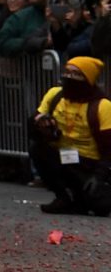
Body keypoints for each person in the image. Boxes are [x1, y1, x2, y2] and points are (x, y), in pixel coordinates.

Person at [31, 56, 108, 217]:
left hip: (88, 162)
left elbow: (109, 149)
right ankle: (63, 197)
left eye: (76, 74)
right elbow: (33, 123)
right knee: (37, 150)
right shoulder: (55, 95)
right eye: (67, 72)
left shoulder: (102, 106)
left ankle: (85, 197)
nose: (69, 78)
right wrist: (42, 126)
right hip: (61, 154)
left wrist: (99, 176)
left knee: (99, 207)